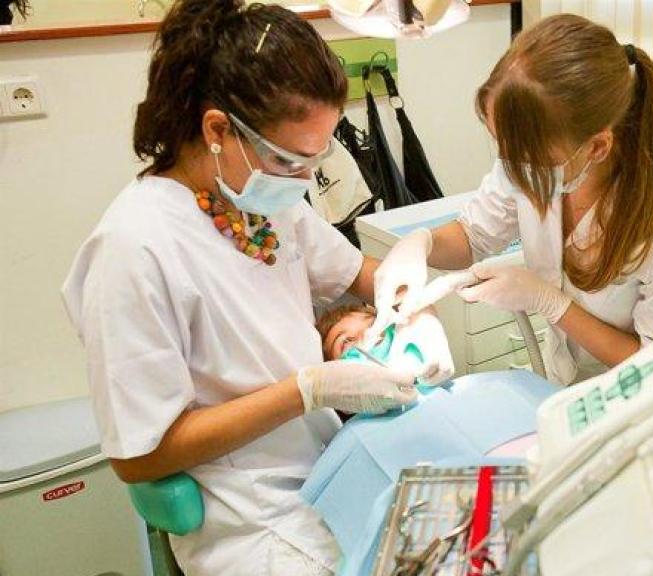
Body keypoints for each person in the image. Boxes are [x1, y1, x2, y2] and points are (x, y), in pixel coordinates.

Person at [61, 1, 451, 574]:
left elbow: (360, 276)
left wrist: (411, 301)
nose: (303, 179)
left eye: (315, 158)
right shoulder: (133, 250)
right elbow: (140, 456)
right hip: (250, 521)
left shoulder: (265, 203)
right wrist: (309, 391)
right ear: (218, 129)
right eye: (291, 159)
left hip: (333, 466)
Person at [369, 14, 653, 385]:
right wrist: (420, 245)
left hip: (639, 407)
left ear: (598, 146)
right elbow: (473, 236)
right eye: (503, 146)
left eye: (526, 154)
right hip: (562, 385)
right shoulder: (530, 164)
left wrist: (551, 303)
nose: (511, 167)